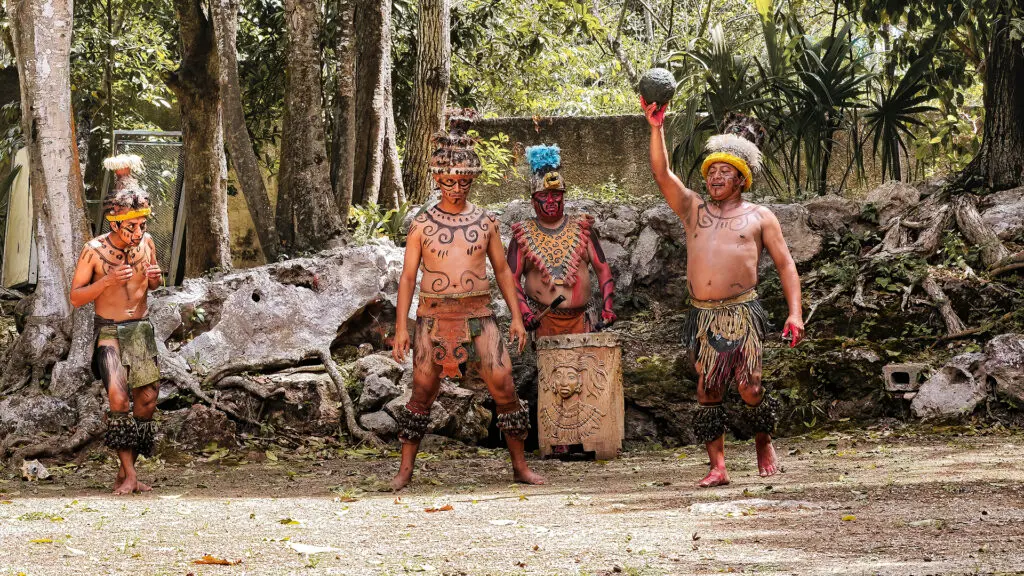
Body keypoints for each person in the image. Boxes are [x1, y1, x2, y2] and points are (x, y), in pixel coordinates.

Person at [642, 99, 805, 487]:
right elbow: (661, 172)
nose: (715, 177)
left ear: (742, 179)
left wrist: (795, 312)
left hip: (743, 312)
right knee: (707, 387)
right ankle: (718, 466)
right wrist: (656, 127)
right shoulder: (693, 210)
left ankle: (762, 440)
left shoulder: (760, 217)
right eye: (711, 170)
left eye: (724, 171)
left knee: (750, 388)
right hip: (703, 315)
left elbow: (786, 265)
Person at [390, 109, 545, 490]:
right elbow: (409, 276)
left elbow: (503, 271)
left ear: (472, 181)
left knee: (505, 385)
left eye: (463, 182)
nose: (456, 189)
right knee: (422, 392)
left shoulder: (486, 221)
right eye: (448, 181)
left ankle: (520, 467)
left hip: (480, 314)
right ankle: (405, 470)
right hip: (432, 318)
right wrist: (401, 328)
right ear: (438, 180)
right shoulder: (422, 225)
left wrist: (517, 316)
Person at [70, 154, 163, 495]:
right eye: (131, 226)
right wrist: (105, 282)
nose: (138, 231)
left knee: (147, 401)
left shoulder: (148, 243)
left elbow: (150, 286)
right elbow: (76, 297)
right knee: (118, 399)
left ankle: (127, 473)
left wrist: (155, 278)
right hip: (108, 331)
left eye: (142, 224)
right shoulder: (93, 251)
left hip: (140, 329)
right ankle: (130, 475)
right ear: (113, 222)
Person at [506, 144, 616, 337]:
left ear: (563, 198)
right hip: (543, 322)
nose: (550, 201)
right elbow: (510, 279)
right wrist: (524, 313)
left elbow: (603, 270)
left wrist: (608, 307)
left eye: (556, 195)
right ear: (533, 200)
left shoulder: (583, 229)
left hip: (583, 321)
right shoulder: (522, 234)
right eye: (543, 196)